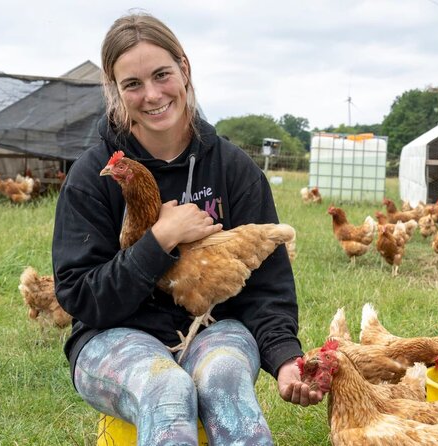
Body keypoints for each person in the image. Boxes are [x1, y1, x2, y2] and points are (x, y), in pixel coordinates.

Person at [51, 12, 321, 445]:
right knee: (166, 388)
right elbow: (80, 295)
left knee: (225, 378)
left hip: (214, 327)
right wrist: (160, 238)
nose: (152, 94)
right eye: (132, 84)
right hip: (109, 336)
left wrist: (286, 357)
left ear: (185, 69)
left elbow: (267, 288)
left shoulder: (234, 169)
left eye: (162, 75)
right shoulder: (91, 177)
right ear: (114, 89)